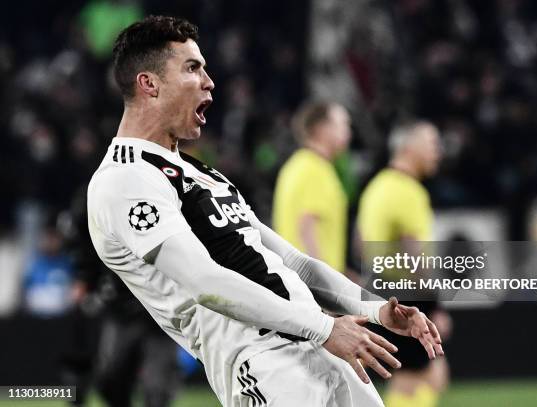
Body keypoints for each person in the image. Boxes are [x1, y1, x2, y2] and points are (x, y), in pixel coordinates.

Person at [87, 16, 443, 407]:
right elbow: (206, 282)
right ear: (148, 84)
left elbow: (293, 262)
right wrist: (324, 328)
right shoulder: (124, 179)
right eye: (192, 68)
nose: (209, 82)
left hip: (324, 343)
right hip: (264, 364)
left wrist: (375, 309)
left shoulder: (203, 174)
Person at [357, 121, 452, 407]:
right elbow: (415, 258)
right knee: (424, 378)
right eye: (432, 143)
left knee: (407, 379)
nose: (438, 151)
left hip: (380, 292)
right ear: (409, 147)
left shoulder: (376, 187)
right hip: (408, 297)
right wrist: (435, 308)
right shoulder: (408, 191)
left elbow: (360, 244)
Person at [272, 101, 350, 273]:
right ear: (322, 128)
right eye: (343, 124)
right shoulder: (315, 169)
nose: (348, 132)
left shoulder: (296, 165)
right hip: (313, 288)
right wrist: (326, 285)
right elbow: (306, 229)